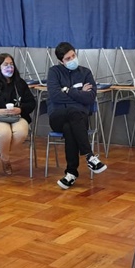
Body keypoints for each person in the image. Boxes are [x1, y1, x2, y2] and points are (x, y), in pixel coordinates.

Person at [46, 42, 107, 189]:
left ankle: (71, 173)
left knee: (70, 127)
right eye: (68, 58)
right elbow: (55, 96)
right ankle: (89, 156)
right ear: (61, 61)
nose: (72, 59)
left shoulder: (86, 73)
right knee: (73, 113)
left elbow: (90, 98)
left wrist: (68, 90)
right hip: (58, 116)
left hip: (79, 119)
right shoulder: (54, 72)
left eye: (73, 55)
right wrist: (79, 94)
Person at [0, 54, 36, 175]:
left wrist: (20, 109)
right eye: (6, 64)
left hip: (18, 117)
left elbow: (31, 103)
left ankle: (0, 152)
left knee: (21, 133)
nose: (9, 67)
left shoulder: (20, 83)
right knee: (4, 133)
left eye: (11, 64)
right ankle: (5, 160)